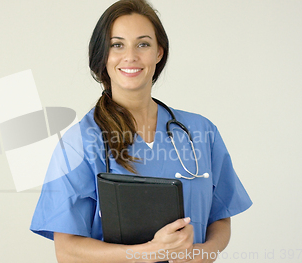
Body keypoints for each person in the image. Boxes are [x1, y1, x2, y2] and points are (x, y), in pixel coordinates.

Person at [30, 0, 252, 262]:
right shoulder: (80, 143)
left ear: (159, 52)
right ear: (104, 55)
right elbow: (67, 252)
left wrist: (203, 254)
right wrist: (151, 252)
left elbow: (220, 217)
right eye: (117, 45)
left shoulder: (200, 132)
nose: (131, 56)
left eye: (143, 44)